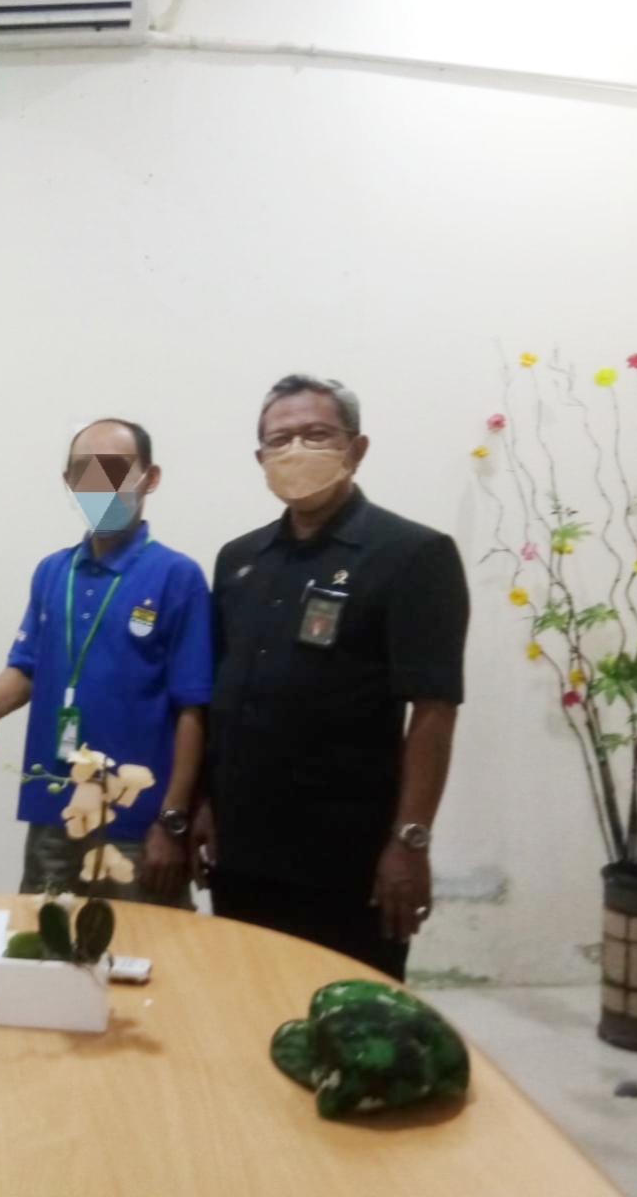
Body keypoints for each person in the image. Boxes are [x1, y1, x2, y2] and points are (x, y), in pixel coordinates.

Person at [201, 374, 469, 980]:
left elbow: (434, 710)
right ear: (260, 457)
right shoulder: (240, 560)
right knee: (246, 1001)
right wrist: (204, 805)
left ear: (356, 447)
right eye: (280, 439)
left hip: (350, 856)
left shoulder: (413, 555)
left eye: (317, 434)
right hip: (242, 851)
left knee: (347, 1013)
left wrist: (410, 841)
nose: (296, 450)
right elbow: (223, 694)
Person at [0, 419, 211, 906]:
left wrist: (173, 820)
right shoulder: (52, 571)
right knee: (42, 945)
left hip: (139, 824)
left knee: (144, 948)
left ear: (150, 478)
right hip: (53, 811)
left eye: (115, 470)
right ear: (68, 481)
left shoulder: (178, 576)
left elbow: (194, 708)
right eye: (85, 471)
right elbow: (26, 667)